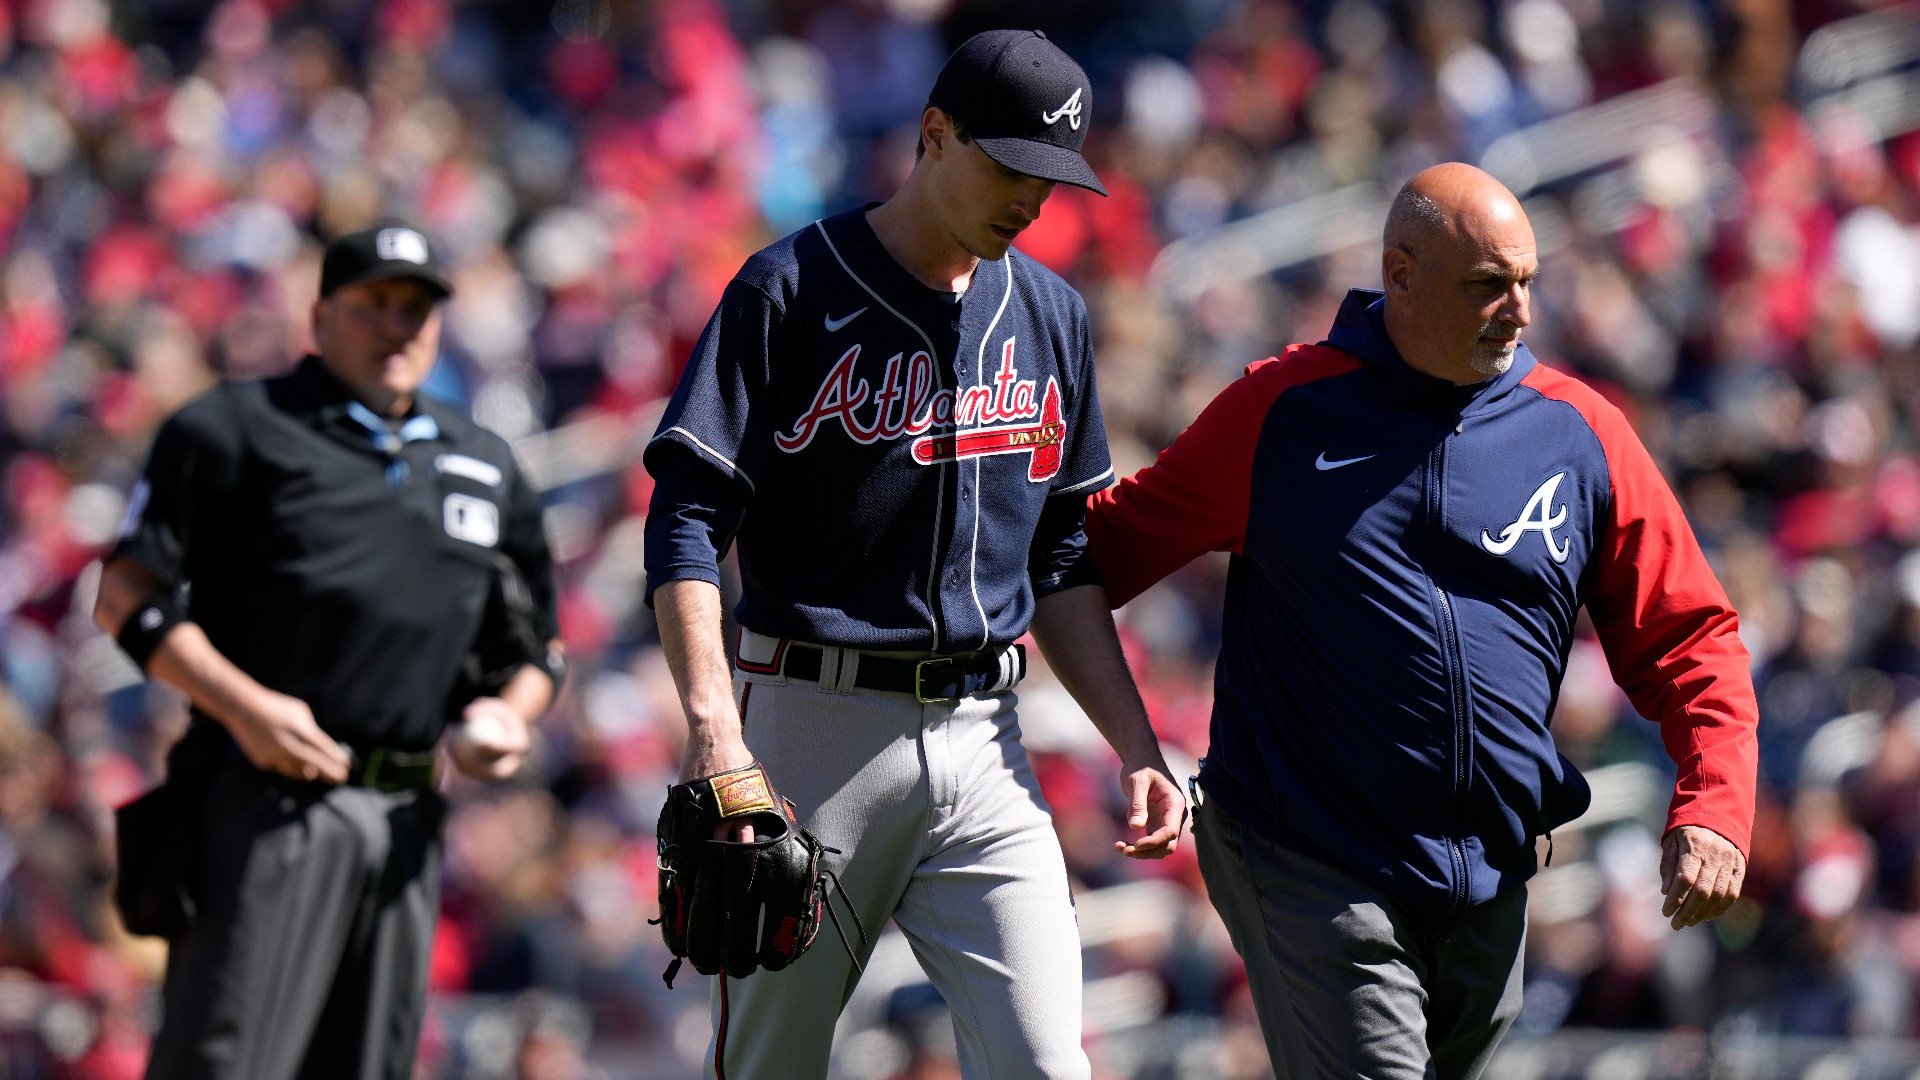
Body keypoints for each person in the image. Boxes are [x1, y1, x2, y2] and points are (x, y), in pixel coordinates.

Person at [1083, 163, 1759, 1079]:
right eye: (1488, 286)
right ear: (1400, 275)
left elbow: (1689, 635)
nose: (1518, 310)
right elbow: (1091, 559)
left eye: (1527, 282)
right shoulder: (1283, 410)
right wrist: (1129, 740)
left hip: (1491, 878)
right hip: (1310, 857)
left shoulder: (1580, 432)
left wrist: (1715, 802)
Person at [642, 29, 1186, 1080]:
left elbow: (1062, 553)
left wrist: (1135, 744)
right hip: (811, 733)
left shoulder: (1053, 314)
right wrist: (716, 734)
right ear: (934, 135)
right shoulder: (789, 290)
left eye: (1054, 175)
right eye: (1012, 164)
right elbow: (687, 519)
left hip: (988, 735)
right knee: (771, 1066)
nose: (1033, 198)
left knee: (1046, 1064)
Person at [93, 222, 562, 1080]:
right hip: (268, 803)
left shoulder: (485, 464)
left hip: (410, 813)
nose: (398, 325)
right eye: (374, 303)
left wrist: (507, 713)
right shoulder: (234, 428)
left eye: (416, 307)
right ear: (320, 317)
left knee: (368, 1067)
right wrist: (247, 707)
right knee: (225, 1063)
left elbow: (536, 652)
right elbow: (125, 597)